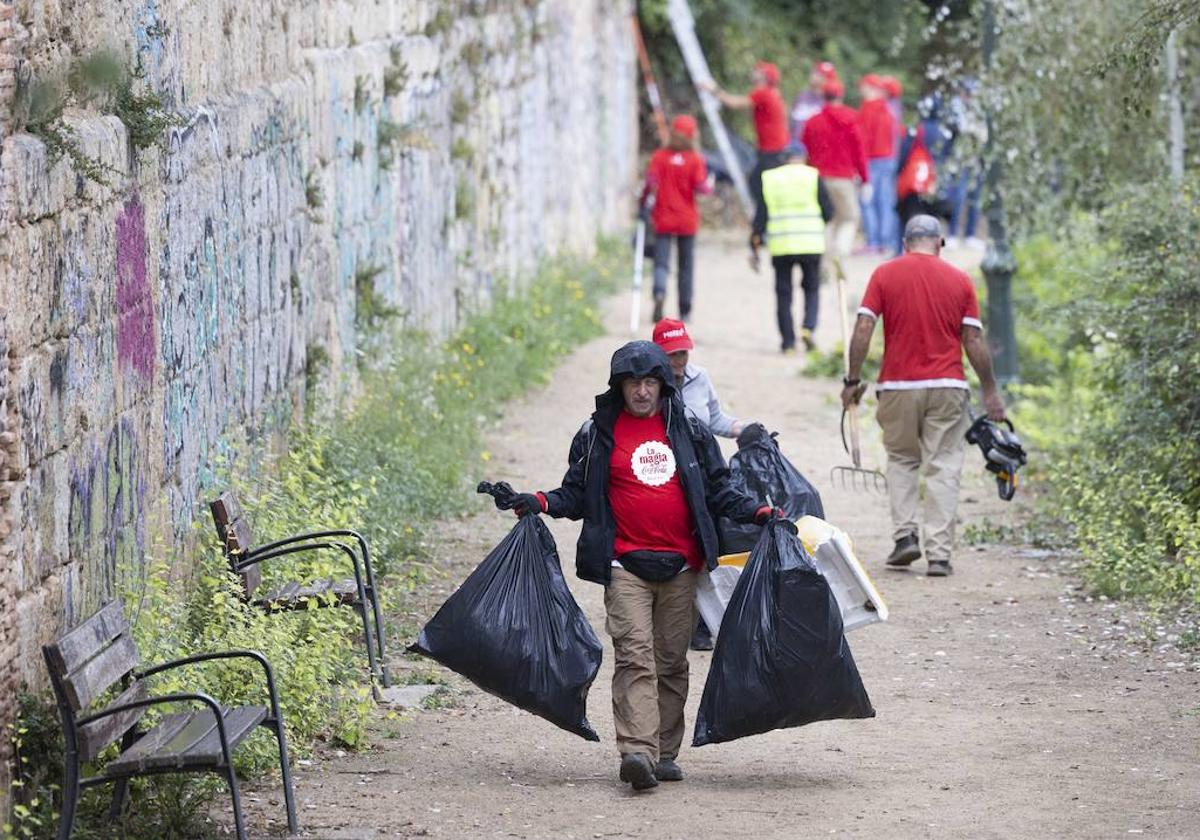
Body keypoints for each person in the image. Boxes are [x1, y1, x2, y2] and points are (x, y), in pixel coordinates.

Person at [505, 341, 781, 790]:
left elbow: (719, 489)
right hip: (623, 565)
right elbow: (574, 494)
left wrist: (757, 512)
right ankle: (637, 752)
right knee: (635, 657)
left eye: (650, 381)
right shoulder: (597, 433)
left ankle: (665, 753)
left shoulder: (688, 428)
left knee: (671, 662)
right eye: (633, 382)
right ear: (619, 386)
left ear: (662, 384)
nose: (642, 391)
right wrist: (538, 502)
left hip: (681, 566)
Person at [840, 215, 1006, 577]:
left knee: (902, 459)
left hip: (897, 385)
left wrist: (852, 380)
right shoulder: (960, 280)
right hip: (949, 385)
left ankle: (904, 538)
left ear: (905, 243)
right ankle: (940, 555)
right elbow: (973, 341)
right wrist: (990, 391)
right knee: (943, 465)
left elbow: (864, 327)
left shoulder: (884, 275)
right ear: (939, 243)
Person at [651, 318, 746, 651]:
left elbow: (715, 419)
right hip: (666, 478)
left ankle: (703, 621)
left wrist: (744, 430)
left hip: (703, 474)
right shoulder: (648, 386)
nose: (679, 361)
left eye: (683, 353)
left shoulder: (699, 378)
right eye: (672, 355)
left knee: (709, 545)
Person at [751, 142, 831, 352]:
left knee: (783, 294)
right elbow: (828, 211)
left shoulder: (770, 178)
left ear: (784, 158)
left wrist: (755, 242)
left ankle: (788, 343)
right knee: (811, 289)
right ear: (804, 157)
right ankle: (808, 328)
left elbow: (761, 216)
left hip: (782, 245)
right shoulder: (813, 176)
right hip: (811, 244)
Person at [642, 114, 712, 322]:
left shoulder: (659, 156)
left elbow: (650, 183)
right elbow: (702, 188)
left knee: (661, 262)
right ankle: (685, 310)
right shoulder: (695, 159)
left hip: (663, 218)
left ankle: (660, 291)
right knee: (686, 266)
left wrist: (643, 205)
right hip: (687, 220)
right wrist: (710, 186)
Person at [801, 77, 868, 277]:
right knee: (849, 218)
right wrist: (865, 178)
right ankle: (839, 253)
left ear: (823, 96)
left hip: (819, 177)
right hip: (844, 177)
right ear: (841, 95)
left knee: (826, 220)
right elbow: (859, 151)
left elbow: (806, 150)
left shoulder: (813, 122)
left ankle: (822, 265)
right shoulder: (851, 119)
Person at [704, 61, 790, 206]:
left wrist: (713, 90)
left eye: (758, 70)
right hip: (774, 148)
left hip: (771, 150)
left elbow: (734, 103)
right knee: (759, 183)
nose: (753, 72)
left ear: (764, 76)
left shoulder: (763, 92)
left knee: (759, 185)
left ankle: (765, 218)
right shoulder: (772, 93)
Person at [857, 74, 898, 255]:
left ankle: (873, 241)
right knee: (885, 201)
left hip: (872, 161)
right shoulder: (889, 109)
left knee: (867, 201)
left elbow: (863, 139)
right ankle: (885, 240)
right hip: (888, 159)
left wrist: (859, 165)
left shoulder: (868, 109)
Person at [790, 60, 838, 141]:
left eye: (820, 74)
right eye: (815, 72)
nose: (814, 75)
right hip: (796, 146)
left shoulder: (829, 102)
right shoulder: (802, 95)